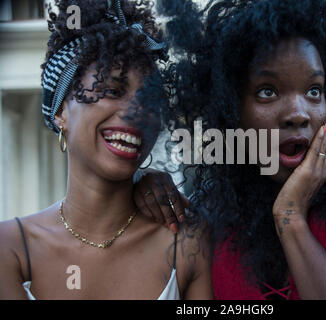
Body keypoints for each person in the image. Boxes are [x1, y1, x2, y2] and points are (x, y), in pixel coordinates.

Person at [135, 0, 326, 299]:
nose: (299, 113)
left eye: (314, 90)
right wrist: (137, 188)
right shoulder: (214, 211)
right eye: (268, 91)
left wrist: (291, 221)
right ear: (231, 109)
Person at [0, 0, 212, 300]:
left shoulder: (186, 243)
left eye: (150, 99)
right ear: (61, 110)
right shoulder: (11, 250)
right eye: (112, 90)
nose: (137, 112)